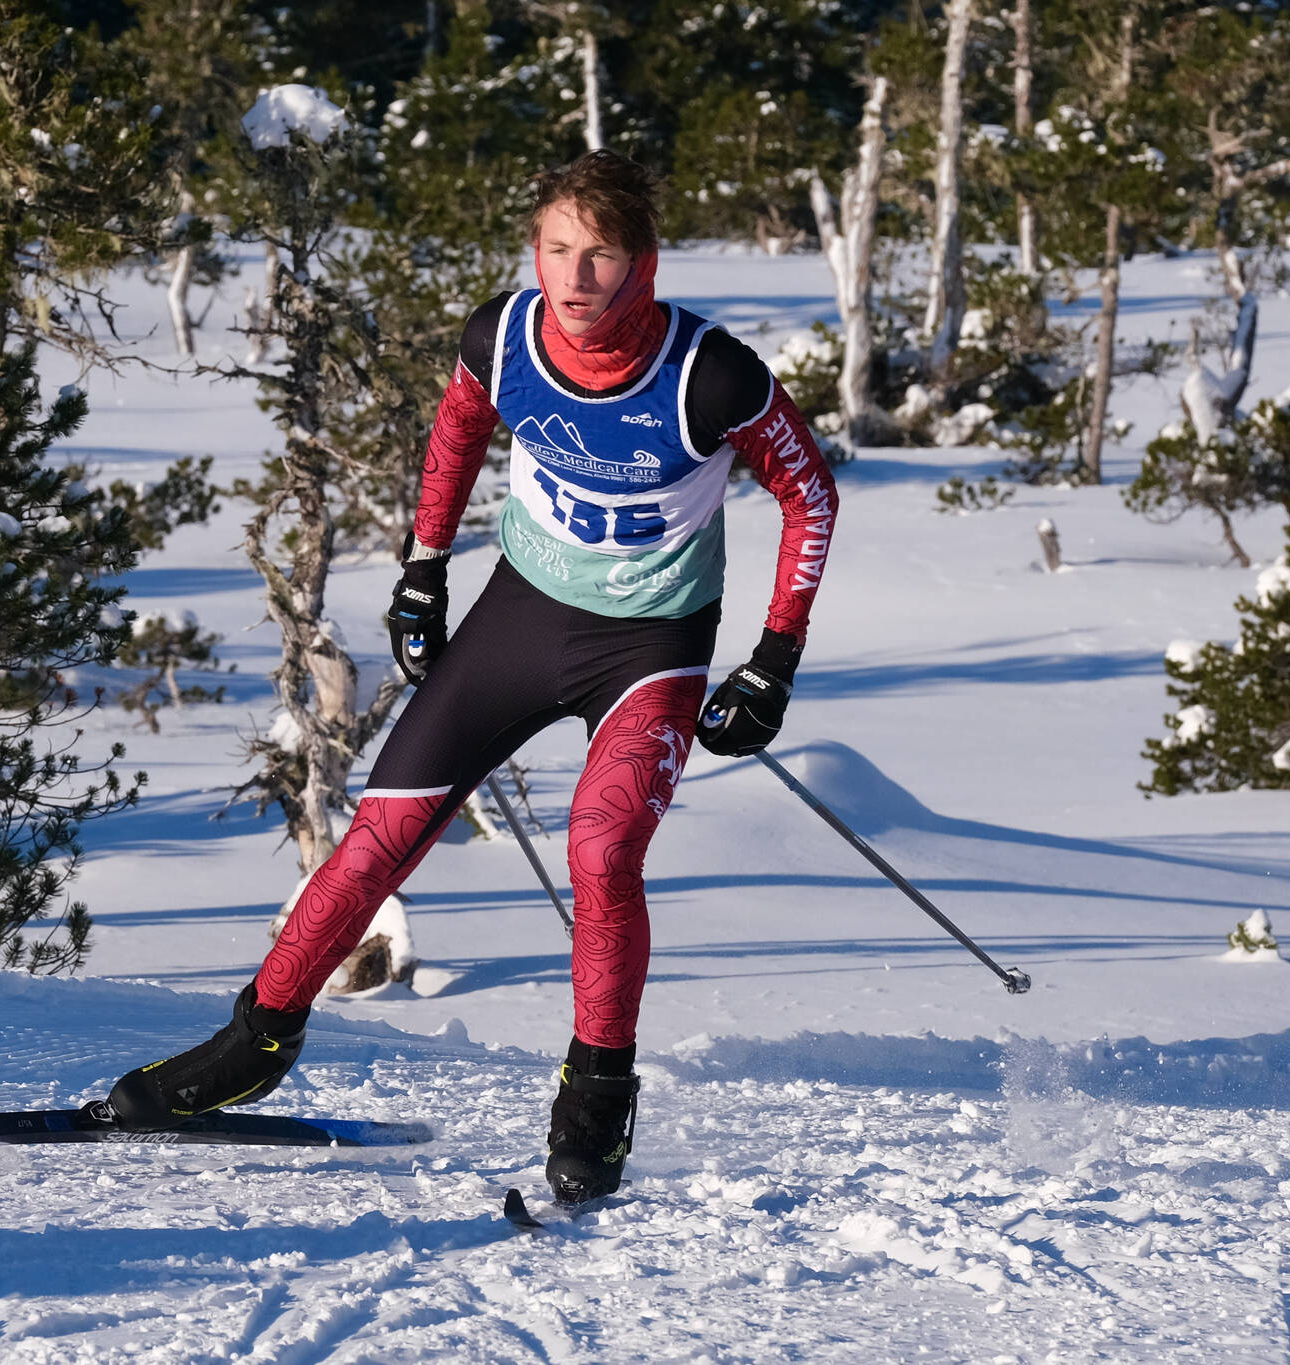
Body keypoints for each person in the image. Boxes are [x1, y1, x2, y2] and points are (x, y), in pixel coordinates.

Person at [105, 150, 839, 1206]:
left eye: (599, 256)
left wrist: (772, 659)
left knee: (601, 848)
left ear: (644, 264)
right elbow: (457, 431)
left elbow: (809, 495)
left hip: (650, 643)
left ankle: (595, 1098)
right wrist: (419, 571)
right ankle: (252, 1046)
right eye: (554, 250)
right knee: (378, 838)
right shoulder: (501, 337)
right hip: (520, 618)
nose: (574, 279)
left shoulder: (706, 376)